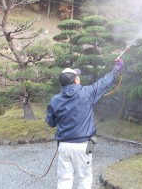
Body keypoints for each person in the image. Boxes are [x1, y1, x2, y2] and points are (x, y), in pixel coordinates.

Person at [45, 59, 124, 189]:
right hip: (83, 145)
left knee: (64, 180)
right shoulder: (87, 93)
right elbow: (104, 83)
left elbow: (50, 122)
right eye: (77, 76)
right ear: (75, 80)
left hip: (64, 146)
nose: (79, 78)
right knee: (84, 179)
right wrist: (116, 69)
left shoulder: (55, 99)